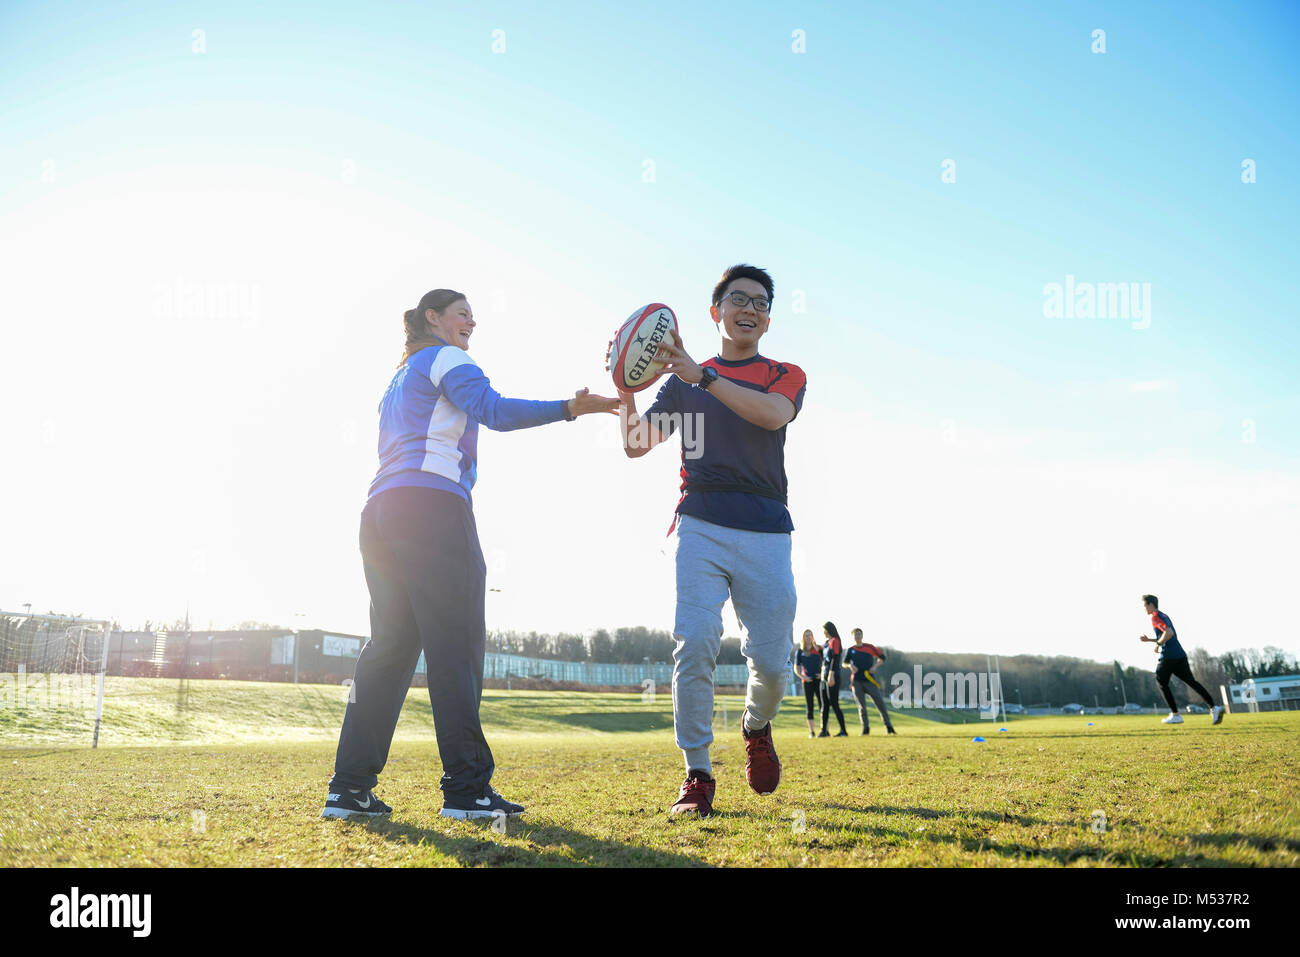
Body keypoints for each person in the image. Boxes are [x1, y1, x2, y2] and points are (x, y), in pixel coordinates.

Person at [322, 288, 619, 821]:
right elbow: (495, 411)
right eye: (462, 313)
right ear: (432, 318)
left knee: (388, 650)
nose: (472, 322)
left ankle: (348, 790)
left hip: (380, 512)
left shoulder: (399, 377)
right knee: (455, 648)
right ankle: (467, 791)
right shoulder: (447, 357)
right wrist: (570, 408)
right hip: (431, 508)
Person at [615, 264, 806, 817]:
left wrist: (706, 379)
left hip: (767, 528)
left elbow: (771, 417)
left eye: (761, 303)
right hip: (699, 521)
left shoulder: (783, 373)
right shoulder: (681, 381)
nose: (750, 309)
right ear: (715, 310)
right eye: (739, 299)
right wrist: (624, 389)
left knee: (771, 665)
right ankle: (697, 775)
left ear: (767, 321)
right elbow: (635, 443)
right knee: (694, 642)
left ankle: (756, 725)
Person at [1139, 594, 1224, 726]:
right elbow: (1166, 635)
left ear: (1150, 605)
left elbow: (1169, 634)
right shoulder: (1163, 615)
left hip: (1168, 656)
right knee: (1192, 682)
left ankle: (1175, 715)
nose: (1144, 608)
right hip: (1179, 654)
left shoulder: (1155, 617)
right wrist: (1151, 640)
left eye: (1144, 605)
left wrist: (1158, 644)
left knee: (1161, 681)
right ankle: (1214, 707)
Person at [845, 627, 895, 735]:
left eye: (859, 634)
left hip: (870, 680)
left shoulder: (870, 647)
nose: (857, 636)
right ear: (852, 637)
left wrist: (875, 666)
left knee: (880, 703)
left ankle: (889, 727)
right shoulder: (850, 650)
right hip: (856, 681)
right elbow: (844, 663)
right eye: (855, 634)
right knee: (862, 706)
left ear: (862, 636)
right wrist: (850, 665)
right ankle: (865, 729)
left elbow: (882, 658)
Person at [793, 629, 824, 737]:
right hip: (807, 681)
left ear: (813, 637)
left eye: (810, 635)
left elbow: (827, 663)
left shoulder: (819, 649)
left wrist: (823, 674)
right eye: (806, 635)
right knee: (809, 706)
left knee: (822, 705)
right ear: (803, 637)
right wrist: (803, 677)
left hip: (819, 680)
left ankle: (824, 730)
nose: (808, 637)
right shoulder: (800, 652)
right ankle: (812, 732)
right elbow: (796, 668)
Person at [820, 621, 848, 737]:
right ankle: (824, 731)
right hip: (824, 676)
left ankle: (843, 731)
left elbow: (834, 659)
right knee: (824, 704)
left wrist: (831, 675)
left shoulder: (835, 641)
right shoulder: (827, 643)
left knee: (834, 703)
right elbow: (825, 660)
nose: (823, 632)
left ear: (828, 630)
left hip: (832, 676)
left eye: (824, 630)